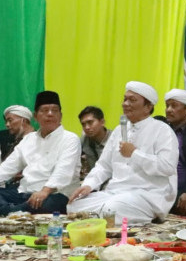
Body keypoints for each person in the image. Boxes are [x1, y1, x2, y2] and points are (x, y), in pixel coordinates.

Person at [67, 81, 179, 224]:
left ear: (148, 106)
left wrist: (134, 153)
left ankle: (107, 220)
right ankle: (104, 219)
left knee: (112, 210)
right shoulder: (119, 130)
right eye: (125, 99)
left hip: (147, 194)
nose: (125, 104)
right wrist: (88, 185)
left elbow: (167, 167)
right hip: (115, 193)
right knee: (74, 205)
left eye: (132, 100)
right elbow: (104, 166)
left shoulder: (162, 130)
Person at [0, 92, 81, 215]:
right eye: (45, 110)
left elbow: (63, 172)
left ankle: (10, 212)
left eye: (54, 110)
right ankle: (16, 212)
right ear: (35, 116)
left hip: (54, 194)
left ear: (61, 115)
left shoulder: (70, 138)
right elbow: (8, 167)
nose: (50, 114)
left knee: (46, 204)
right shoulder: (29, 139)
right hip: (24, 193)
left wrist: (45, 191)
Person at [78, 106, 112, 178]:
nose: (86, 127)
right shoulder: (84, 141)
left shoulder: (115, 139)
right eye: (83, 124)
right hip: (93, 183)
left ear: (102, 122)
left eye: (90, 122)